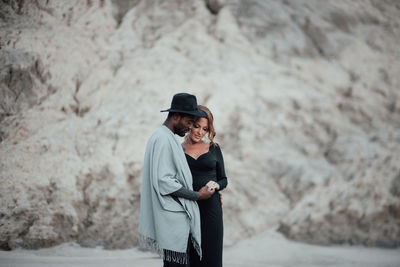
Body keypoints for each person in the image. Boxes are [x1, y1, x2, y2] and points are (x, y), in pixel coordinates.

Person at [139, 93, 215, 267]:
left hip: (171, 218)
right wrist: (197, 195)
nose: (189, 128)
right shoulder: (164, 139)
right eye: (188, 122)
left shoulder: (162, 136)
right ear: (176, 116)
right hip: (172, 220)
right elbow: (165, 182)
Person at [182, 105, 228, 267]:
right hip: (187, 209)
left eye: (205, 129)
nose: (200, 132)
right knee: (190, 256)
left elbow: (223, 179)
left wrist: (216, 185)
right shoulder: (178, 149)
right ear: (189, 124)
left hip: (211, 210)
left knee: (211, 256)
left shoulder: (214, 148)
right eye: (196, 126)